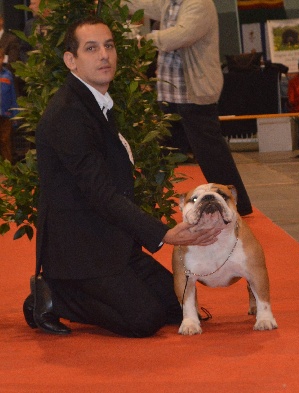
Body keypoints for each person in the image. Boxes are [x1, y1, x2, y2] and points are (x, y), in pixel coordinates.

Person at [22, 16, 224, 338]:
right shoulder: (68, 114)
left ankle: (90, 288)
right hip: (79, 250)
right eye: (91, 48)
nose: (104, 55)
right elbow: (101, 194)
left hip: (113, 243)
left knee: (178, 305)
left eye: (109, 46)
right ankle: (51, 296)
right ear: (71, 61)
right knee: (143, 320)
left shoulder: (96, 102)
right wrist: (165, 234)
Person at [121, 0, 253, 216]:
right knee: (160, 153)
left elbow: (180, 36)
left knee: (211, 153)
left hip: (194, 93)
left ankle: (239, 203)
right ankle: (144, 202)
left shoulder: (200, 4)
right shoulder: (170, 2)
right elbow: (144, 5)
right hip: (170, 93)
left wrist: (142, 40)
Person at [0, 48, 18, 162]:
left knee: (5, 141)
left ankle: (7, 173)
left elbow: (13, 96)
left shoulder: (8, 75)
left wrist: (15, 116)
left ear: (2, 59)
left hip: (5, 115)